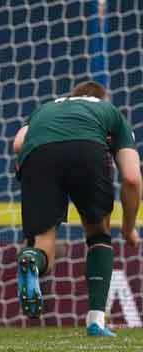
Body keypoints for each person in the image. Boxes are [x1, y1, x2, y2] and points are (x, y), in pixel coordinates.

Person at [12, 81, 141, 336]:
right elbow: (132, 178)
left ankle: (33, 261)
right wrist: (128, 228)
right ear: (103, 98)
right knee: (99, 236)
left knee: (42, 244)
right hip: (88, 150)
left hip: (39, 154)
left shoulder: (45, 109)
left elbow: (18, 144)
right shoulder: (110, 112)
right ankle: (96, 321)